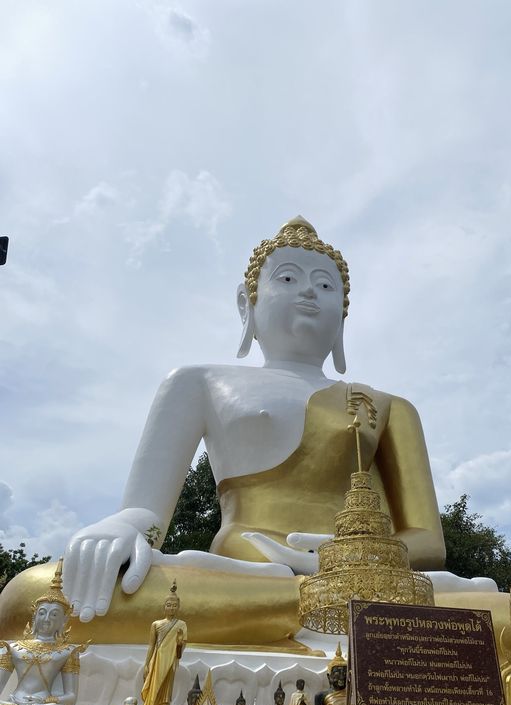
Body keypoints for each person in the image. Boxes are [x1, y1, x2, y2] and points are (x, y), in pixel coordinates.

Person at [0, 217, 447, 646]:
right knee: (36, 598)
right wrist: (124, 526)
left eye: (327, 286)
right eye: (288, 279)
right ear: (247, 302)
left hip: (363, 577)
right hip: (239, 574)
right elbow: (145, 513)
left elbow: (427, 542)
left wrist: (344, 558)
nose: (310, 290)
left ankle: (312, 609)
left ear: (343, 316)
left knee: (505, 611)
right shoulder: (198, 382)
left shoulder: (387, 406)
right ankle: (322, 610)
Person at [0, 561, 92, 705]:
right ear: (35, 616)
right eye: (42, 613)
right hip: (13, 704)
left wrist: (45, 702)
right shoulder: (13, 648)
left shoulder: (68, 652)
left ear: (64, 620)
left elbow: (71, 697)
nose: (47, 619)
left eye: (54, 615)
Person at [141, 581, 187, 705]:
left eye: (174, 605)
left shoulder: (181, 625)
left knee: (165, 692)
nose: (171, 608)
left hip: (170, 662)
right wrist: (146, 664)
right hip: (157, 660)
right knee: (153, 689)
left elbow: (181, 648)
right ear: (163, 606)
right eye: (169, 605)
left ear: (178, 607)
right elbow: (151, 646)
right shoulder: (156, 624)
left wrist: (179, 642)